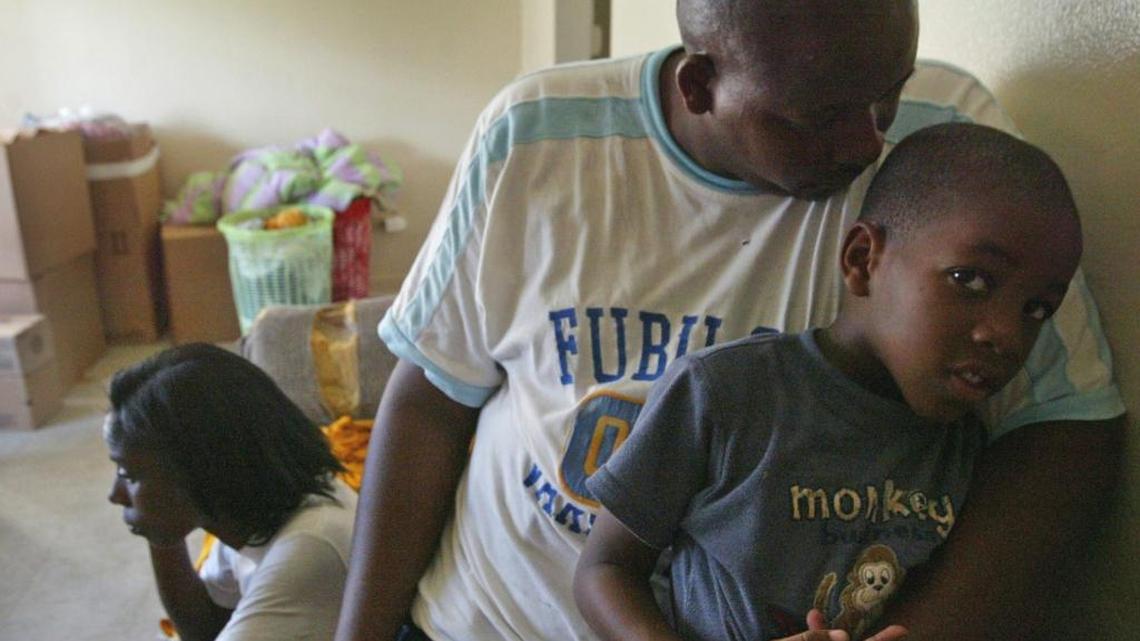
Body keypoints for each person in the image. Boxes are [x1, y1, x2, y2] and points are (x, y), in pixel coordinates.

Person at [335, 2, 1126, 640]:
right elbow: (433, 397)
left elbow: (1068, 426)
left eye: (888, 93)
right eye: (821, 116)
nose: (870, 139)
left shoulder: (945, 141)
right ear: (700, 84)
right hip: (490, 619)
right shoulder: (534, 136)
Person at [574, 123, 1083, 641]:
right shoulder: (724, 393)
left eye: (1038, 308)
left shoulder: (961, 447)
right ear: (864, 260)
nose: (1006, 335)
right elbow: (606, 571)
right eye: (969, 279)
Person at [104, 343, 358, 641]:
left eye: (128, 474)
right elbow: (204, 627)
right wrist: (161, 534)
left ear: (197, 471)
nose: (116, 494)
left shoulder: (309, 549)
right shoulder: (251, 502)